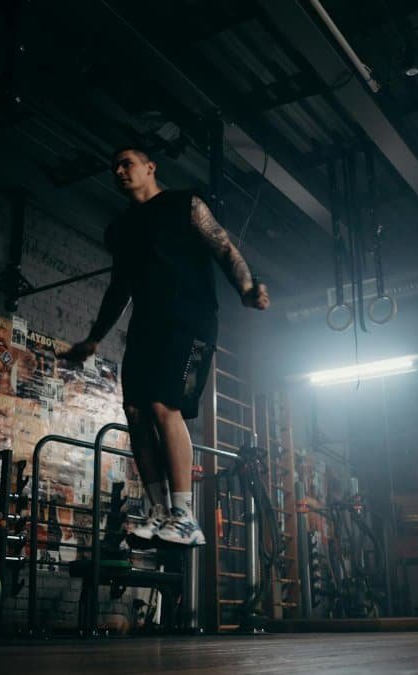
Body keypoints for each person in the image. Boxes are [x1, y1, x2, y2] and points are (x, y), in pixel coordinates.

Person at [59, 146, 270, 547]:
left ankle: (184, 515)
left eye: (127, 163)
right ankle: (157, 511)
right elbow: (118, 289)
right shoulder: (120, 230)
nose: (119, 171)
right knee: (136, 411)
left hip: (191, 321)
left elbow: (222, 246)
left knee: (162, 405)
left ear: (150, 167)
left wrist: (245, 287)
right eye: (114, 167)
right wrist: (94, 337)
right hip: (146, 326)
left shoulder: (183, 204)